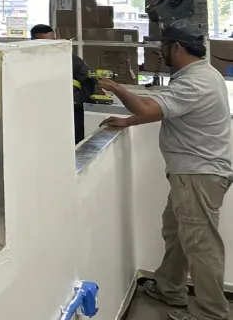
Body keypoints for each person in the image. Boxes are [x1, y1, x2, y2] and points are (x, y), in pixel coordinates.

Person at [100, 20, 233, 320]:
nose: (160, 51)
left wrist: (117, 88)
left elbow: (148, 108)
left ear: (176, 47)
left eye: (163, 46)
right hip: (194, 172)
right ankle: (170, 287)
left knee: (201, 245)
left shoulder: (194, 81)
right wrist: (126, 122)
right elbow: (167, 112)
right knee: (176, 232)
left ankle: (211, 314)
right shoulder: (201, 74)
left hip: (198, 174)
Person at [31, 23, 94, 144]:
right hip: (40, 115)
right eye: (45, 43)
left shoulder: (70, 60)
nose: (51, 45)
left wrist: (73, 101)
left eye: (53, 41)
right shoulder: (25, 61)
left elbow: (89, 82)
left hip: (69, 114)